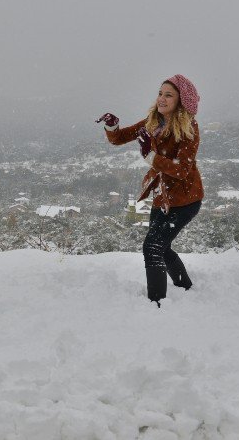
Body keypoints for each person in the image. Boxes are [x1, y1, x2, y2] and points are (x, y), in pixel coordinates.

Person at [96, 74, 203, 307]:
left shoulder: (189, 128)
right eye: (160, 93)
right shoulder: (153, 121)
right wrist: (112, 126)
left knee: (152, 246)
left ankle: (156, 304)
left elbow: (183, 170)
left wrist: (151, 157)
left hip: (185, 200)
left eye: (168, 95)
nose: (161, 99)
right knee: (161, 247)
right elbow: (121, 138)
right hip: (163, 196)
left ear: (181, 101)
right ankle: (185, 287)